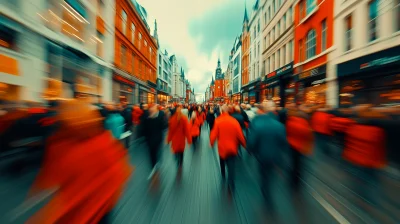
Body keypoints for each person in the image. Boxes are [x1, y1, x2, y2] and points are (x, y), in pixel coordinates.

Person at [247, 101, 288, 202]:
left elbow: (252, 141)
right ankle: (268, 191)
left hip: (261, 155)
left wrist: (250, 150)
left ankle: (265, 192)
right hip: (275, 156)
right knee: (271, 175)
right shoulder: (279, 125)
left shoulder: (257, 122)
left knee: (263, 175)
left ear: (263, 110)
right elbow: (284, 143)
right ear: (273, 109)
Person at [210, 104, 246, 192]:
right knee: (231, 166)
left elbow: (213, 134)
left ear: (221, 111)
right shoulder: (234, 121)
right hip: (232, 148)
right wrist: (244, 144)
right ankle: (231, 183)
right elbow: (240, 135)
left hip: (222, 147)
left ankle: (223, 174)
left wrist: (211, 142)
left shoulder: (218, 121)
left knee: (222, 160)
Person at [141, 104, 168, 179]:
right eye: (151, 108)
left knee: (157, 151)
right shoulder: (147, 117)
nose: (151, 109)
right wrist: (144, 137)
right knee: (151, 153)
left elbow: (164, 126)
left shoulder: (160, 116)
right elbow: (144, 128)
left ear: (156, 109)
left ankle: (157, 161)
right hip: (149, 139)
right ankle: (153, 166)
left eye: (153, 108)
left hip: (158, 138)